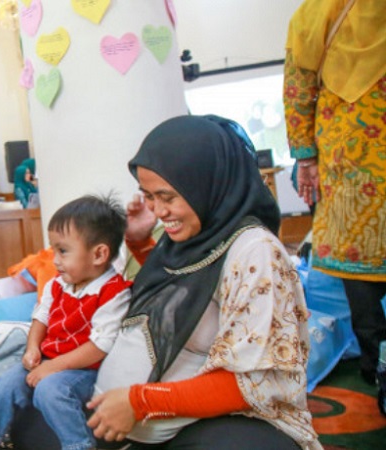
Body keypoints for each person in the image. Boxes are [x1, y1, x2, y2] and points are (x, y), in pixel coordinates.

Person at [87, 115, 320, 449]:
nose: (158, 210)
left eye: (167, 196)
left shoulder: (255, 251)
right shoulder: (193, 234)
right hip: (146, 424)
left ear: (207, 183)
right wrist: (140, 244)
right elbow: (188, 292)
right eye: (149, 196)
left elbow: (254, 380)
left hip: (222, 425)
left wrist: (142, 402)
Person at [0, 195, 131, 450]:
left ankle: (79, 445)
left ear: (99, 254)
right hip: (50, 361)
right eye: (53, 249)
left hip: (87, 370)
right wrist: (32, 348)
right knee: (4, 384)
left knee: (51, 390)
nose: (55, 260)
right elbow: (41, 317)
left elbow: (100, 346)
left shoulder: (114, 293)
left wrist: (53, 368)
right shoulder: (58, 284)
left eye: (63, 251)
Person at [283, 0, 386, 386]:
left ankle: (376, 365)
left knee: (359, 275)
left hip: (348, 160)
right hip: (350, 166)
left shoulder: (317, 12)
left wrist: (306, 156)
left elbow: (297, 87)